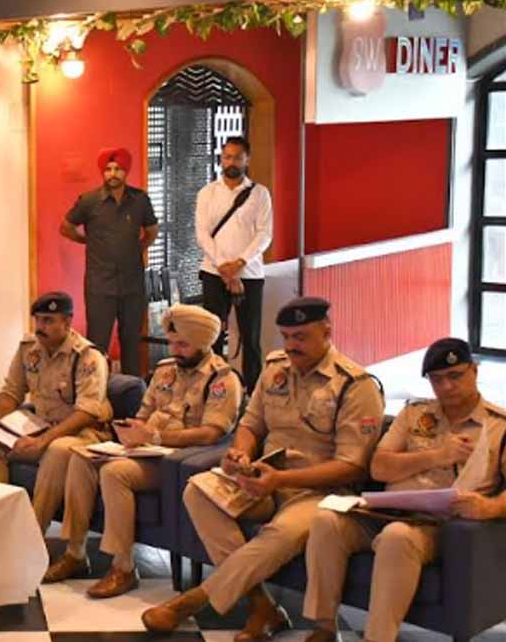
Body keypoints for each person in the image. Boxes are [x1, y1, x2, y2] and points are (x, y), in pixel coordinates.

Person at [142, 297, 385, 641]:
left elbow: (351, 466)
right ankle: (261, 604)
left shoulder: (355, 385)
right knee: (198, 490)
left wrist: (281, 479)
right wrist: (239, 455)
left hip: (319, 494)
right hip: (264, 479)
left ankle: (192, 602)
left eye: (300, 337)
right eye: (286, 337)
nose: (291, 346)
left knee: (281, 534)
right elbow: (251, 424)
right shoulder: (275, 369)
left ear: (326, 331)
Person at [302, 338, 500, 642]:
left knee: (397, 537)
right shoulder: (414, 414)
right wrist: (437, 456)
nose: (446, 386)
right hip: (385, 512)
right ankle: (324, 627)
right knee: (326, 520)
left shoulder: (498, 426)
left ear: (474, 371)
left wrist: (489, 508)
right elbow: (379, 468)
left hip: (436, 527)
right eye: (437, 379)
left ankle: (377, 638)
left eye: (455, 375)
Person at [44, 304, 242, 593]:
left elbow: (212, 433)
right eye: (172, 342)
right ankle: (75, 553)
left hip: (177, 462)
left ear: (202, 343)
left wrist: (157, 437)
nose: (174, 350)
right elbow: (144, 413)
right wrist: (131, 429)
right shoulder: (165, 371)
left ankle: (123, 568)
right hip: (145, 450)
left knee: (115, 473)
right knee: (81, 458)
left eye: (183, 345)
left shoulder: (222, 379)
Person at [0, 292, 109, 535]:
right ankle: (0, 526)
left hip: (82, 433)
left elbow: (87, 413)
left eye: (48, 320)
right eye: (38, 320)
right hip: (40, 426)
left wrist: (43, 441)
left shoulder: (87, 357)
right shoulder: (28, 349)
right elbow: (12, 391)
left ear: (67, 322)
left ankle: (33, 533)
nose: (40, 327)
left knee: (57, 450)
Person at [61, 147, 159, 376]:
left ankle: (133, 390)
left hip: (132, 283)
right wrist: (86, 240)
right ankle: (95, 390)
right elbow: (66, 228)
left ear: (126, 172)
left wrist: (138, 248)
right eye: (108, 169)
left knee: (131, 341)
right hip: (100, 284)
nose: (113, 174)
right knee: (97, 343)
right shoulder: (89, 201)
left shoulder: (140, 200)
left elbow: (152, 231)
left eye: (118, 169)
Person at [195, 136, 273, 392]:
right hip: (213, 273)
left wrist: (239, 263)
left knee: (251, 337)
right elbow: (202, 234)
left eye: (238, 157)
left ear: (246, 160)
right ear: (221, 159)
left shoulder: (259, 194)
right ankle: (213, 389)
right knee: (212, 336)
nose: (232, 162)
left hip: (250, 274)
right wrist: (224, 267)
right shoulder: (207, 193)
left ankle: (253, 395)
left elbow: (264, 234)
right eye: (227, 157)